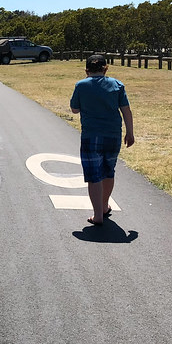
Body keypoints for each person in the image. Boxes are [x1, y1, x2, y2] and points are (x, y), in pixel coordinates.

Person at [69, 54, 135, 225]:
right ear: (106, 68)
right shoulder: (117, 85)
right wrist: (130, 132)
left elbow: (74, 109)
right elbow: (126, 110)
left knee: (93, 176)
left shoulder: (81, 85)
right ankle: (105, 205)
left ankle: (98, 214)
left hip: (91, 135)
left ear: (86, 70)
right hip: (113, 135)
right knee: (108, 171)